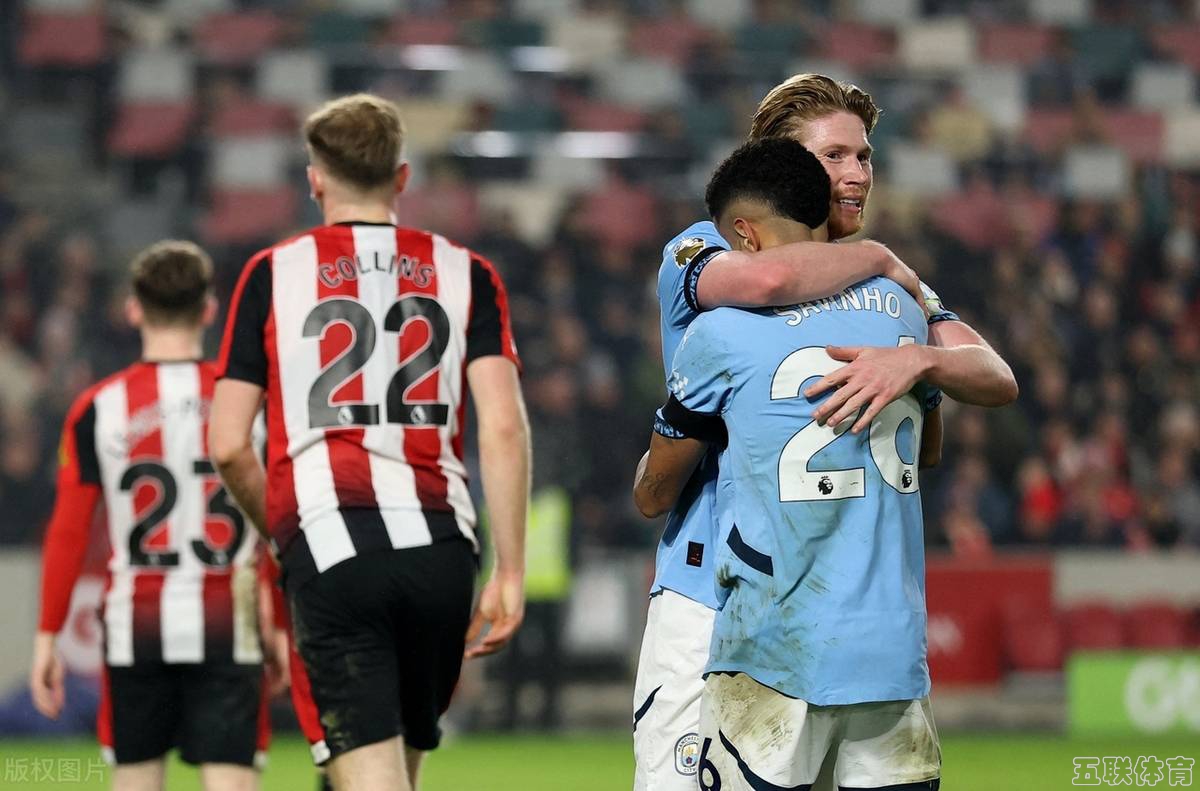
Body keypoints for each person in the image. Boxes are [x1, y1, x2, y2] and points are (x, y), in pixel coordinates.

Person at [632, 73, 1017, 791]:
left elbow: (994, 373)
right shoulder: (707, 243)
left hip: (832, 611)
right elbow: (766, 281)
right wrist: (881, 259)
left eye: (864, 156)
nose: (857, 173)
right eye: (834, 155)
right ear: (780, 163)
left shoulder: (884, 292)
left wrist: (921, 359)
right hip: (709, 589)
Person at [208, 93, 530, 791]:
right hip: (443, 551)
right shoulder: (468, 272)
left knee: (369, 777)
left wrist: (282, 533)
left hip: (332, 541)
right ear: (402, 178)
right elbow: (504, 426)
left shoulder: (272, 273)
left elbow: (229, 442)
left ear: (315, 178)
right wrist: (511, 569)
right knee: (394, 772)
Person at [30, 240, 270, 791]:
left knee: (136, 780)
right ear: (209, 310)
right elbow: (274, 516)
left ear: (133, 309)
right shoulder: (250, 402)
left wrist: (48, 635)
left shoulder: (97, 408)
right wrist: (279, 619)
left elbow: (68, 533)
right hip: (228, 619)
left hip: (135, 623)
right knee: (232, 783)